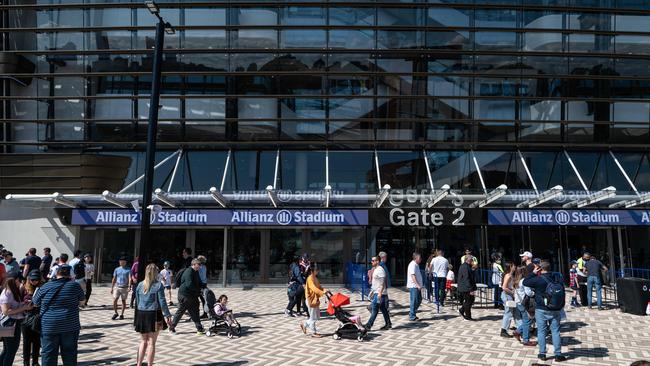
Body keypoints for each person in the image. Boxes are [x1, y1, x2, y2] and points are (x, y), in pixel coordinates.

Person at [33, 265, 85, 366]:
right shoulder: (75, 286)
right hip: (70, 325)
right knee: (70, 353)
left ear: (57, 274)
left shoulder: (46, 286)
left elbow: (35, 303)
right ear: (70, 275)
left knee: (48, 353)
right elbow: (82, 302)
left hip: (49, 325)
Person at [523, 261, 567, 362]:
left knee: (541, 331)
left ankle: (542, 354)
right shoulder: (557, 278)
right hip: (555, 309)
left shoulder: (538, 279)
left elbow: (525, 282)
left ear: (540, 268)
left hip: (541, 309)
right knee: (555, 331)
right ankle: (558, 354)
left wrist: (533, 273)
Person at [134, 263, 172, 366]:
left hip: (141, 314)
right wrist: (168, 315)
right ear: (155, 273)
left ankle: (139, 364)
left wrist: (136, 319)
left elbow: (137, 303)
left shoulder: (140, 285)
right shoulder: (158, 285)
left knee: (143, 341)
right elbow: (162, 302)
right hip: (154, 314)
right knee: (151, 343)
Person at [0, 272, 31, 366]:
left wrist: (24, 304)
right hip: (10, 324)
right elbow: (6, 311)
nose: (21, 282)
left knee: (8, 349)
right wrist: (24, 308)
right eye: (19, 280)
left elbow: (14, 306)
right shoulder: (7, 293)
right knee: (11, 350)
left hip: (14, 323)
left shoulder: (12, 291)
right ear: (14, 280)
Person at [171, 259, 205, 335]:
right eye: (199, 264)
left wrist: (203, 286)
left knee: (195, 311)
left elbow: (199, 282)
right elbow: (189, 284)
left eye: (200, 264)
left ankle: (199, 328)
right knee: (181, 311)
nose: (200, 266)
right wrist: (198, 290)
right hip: (185, 295)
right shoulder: (189, 271)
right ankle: (172, 327)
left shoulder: (196, 271)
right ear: (194, 264)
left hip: (192, 295)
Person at [364, 256, 391, 331]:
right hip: (377, 292)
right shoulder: (375, 269)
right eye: (371, 260)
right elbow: (375, 283)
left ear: (378, 261)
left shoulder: (380, 270)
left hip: (380, 294)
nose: (371, 262)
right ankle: (388, 324)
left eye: (373, 260)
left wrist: (379, 293)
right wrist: (372, 291)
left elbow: (382, 283)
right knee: (383, 309)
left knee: (374, 309)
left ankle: (368, 325)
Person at [23, 270, 43, 366]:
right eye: (32, 279)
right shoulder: (24, 288)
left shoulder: (43, 288)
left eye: (37, 279)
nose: (34, 281)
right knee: (26, 342)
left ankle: (35, 362)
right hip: (26, 319)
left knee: (36, 342)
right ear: (29, 279)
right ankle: (26, 362)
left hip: (38, 318)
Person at [300, 264, 327, 337]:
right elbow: (314, 288)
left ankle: (304, 324)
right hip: (310, 300)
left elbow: (319, 287)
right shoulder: (309, 279)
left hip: (315, 300)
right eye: (316, 270)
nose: (317, 271)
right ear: (312, 271)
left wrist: (324, 290)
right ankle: (313, 332)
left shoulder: (315, 278)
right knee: (313, 317)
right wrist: (322, 292)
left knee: (315, 317)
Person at [512, 266, 536, 347]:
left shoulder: (516, 281)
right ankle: (525, 339)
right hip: (524, 303)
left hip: (518, 302)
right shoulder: (524, 281)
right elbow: (528, 293)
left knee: (526, 319)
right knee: (528, 321)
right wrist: (534, 293)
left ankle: (518, 332)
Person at [457, 254, 477, 321]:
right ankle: (468, 316)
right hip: (465, 287)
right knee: (468, 301)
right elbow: (466, 278)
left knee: (471, 300)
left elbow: (470, 276)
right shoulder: (464, 266)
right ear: (468, 260)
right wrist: (470, 289)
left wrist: (473, 269)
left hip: (467, 287)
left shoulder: (468, 266)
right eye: (471, 259)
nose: (473, 261)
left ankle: (462, 310)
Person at [500, 261, 516, 338]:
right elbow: (504, 287)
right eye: (513, 266)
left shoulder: (510, 275)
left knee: (510, 312)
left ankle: (505, 329)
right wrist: (512, 292)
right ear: (510, 267)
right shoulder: (508, 275)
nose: (514, 267)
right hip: (507, 295)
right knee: (508, 313)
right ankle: (503, 330)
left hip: (508, 295)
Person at [407, 252, 423, 321]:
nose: (421, 259)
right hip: (414, 286)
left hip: (417, 286)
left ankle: (412, 312)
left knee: (419, 300)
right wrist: (417, 285)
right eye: (419, 258)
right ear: (415, 258)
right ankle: (412, 315)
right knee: (414, 300)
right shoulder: (412, 265)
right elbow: (413, 276)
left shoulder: (416, 265)